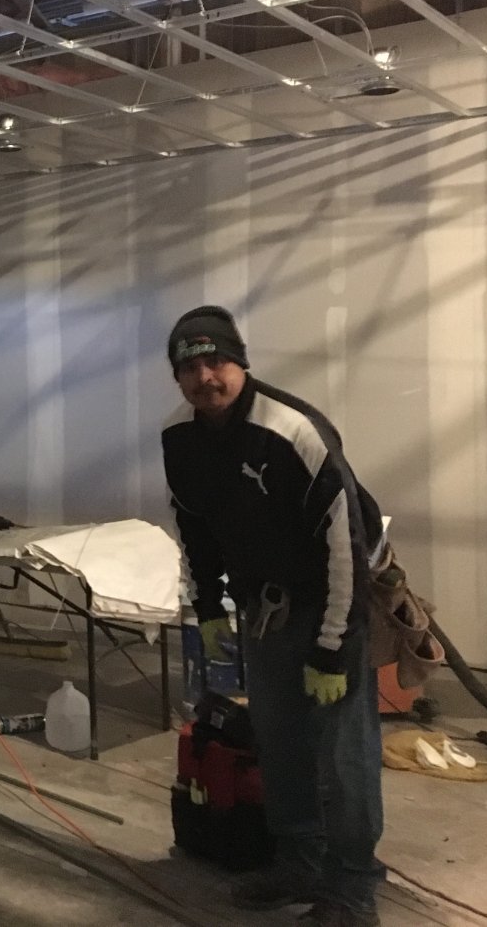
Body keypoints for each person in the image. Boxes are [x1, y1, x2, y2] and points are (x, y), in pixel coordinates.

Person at [160, 305, 385, 927]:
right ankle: (298, 862)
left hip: (328, 604)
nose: (206, 377)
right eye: (190, 366)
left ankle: (353, 887)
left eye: (216, 361)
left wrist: (335, 645)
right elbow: (195, 526)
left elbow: (349, 541)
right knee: (280, 744)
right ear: (177, 377)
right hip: (264, 611)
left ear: (241, 362)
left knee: (343, 757)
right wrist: (208, 605)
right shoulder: (178, 437)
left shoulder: (293, 430)